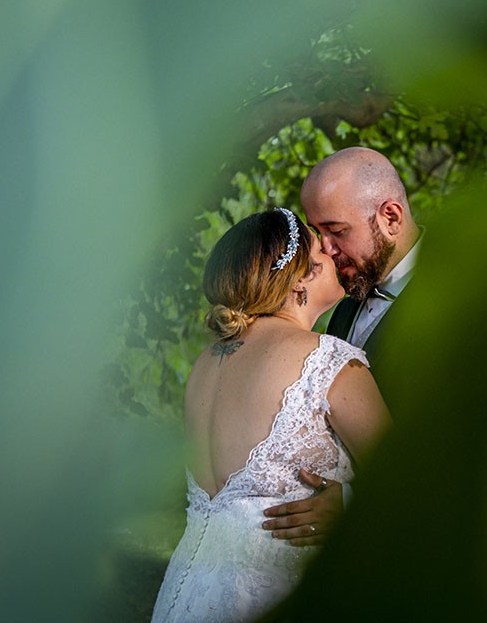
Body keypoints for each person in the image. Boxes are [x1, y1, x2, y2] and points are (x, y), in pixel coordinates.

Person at [150, 208, 390, 623]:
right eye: (320, 249)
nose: (332, 251)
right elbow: (409, 476)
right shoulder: (327, 361)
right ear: (298, 279)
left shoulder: (205, 366)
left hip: (187, 596)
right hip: (278, 597)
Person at [260, 147, 420, 544]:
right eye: (319, 233)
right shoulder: (345, 305)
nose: (326, 250)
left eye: (337, 231)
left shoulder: (462, 299)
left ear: (391, 218)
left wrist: (352, 504)